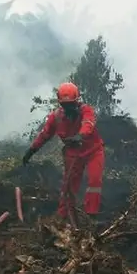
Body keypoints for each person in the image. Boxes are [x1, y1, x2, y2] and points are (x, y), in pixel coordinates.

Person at [22, 82, 105, 219]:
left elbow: (88, 124)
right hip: (73, 154)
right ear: (60, 104)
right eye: (65, 105)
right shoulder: (55, 117)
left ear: (77, 101)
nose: (69, 108)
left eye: (71, 104)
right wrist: (31, 151)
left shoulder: (86, 110)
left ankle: (92, 215)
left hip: (93, 150)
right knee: (69, 186)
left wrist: (80, 135)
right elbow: (44, 135)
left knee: (95, 182)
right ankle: (63, 216)